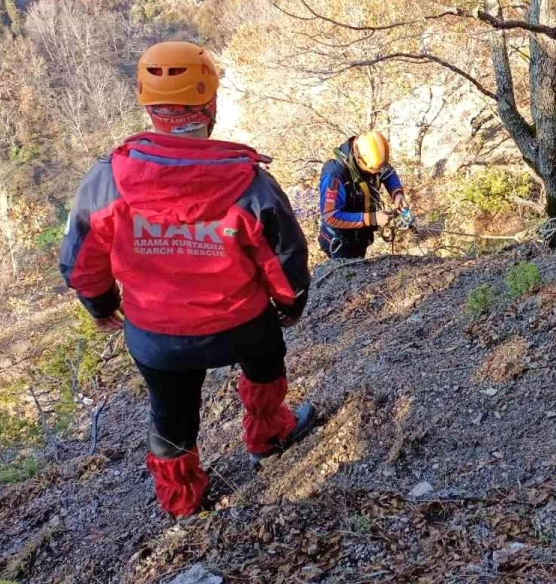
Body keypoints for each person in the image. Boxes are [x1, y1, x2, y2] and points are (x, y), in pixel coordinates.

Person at [59, 41, 314, 519]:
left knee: (170, 416)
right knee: (266, 365)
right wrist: (291, 304)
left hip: (158, 336)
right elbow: (283, 256)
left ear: (148, 106)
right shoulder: (247, 181)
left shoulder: (109, 178)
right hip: (242, 326)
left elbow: (80, 257)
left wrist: (99, 303)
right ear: (210, 104)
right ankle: (268, 437)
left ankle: (184, 504)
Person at [317, 131, 408, 259]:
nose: (377, 172)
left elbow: (388, 172)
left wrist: (397, 193)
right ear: (359, 160)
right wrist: (372, 218)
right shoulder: (335, 175)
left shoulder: (372, 157)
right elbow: (330, 216)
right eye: (374, 169)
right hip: (341, 242)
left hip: (360, 235)